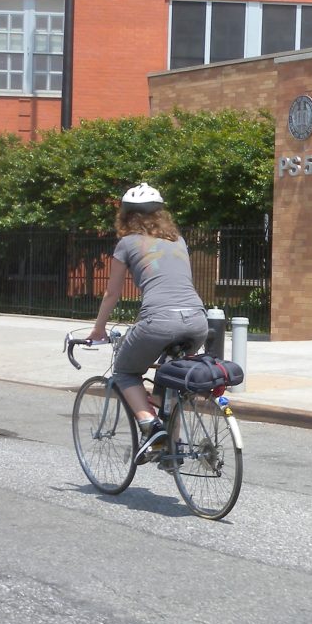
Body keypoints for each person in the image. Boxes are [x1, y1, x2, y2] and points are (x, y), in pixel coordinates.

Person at [88, 183, 209, 462]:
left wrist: (99, 328)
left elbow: (112, 293)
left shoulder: (127, 243)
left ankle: (151, 427)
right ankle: (171, 450)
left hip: (159, 320)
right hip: (197, 320)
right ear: (161, 214)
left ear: (126, 216)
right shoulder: (178, 240)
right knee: (171, 380)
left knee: (125, 372)